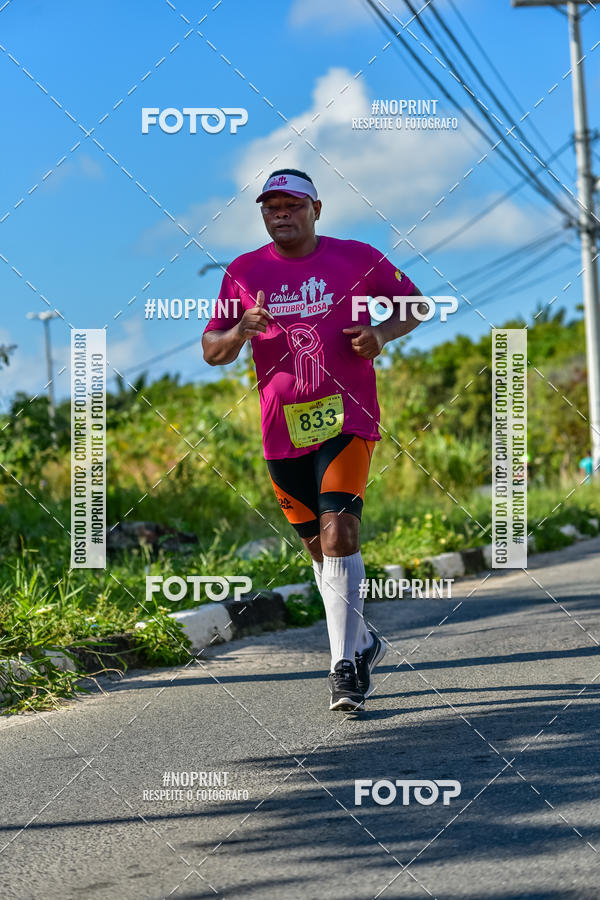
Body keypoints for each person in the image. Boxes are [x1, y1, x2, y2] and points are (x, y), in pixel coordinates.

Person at [202, 168, 424, 711]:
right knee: (320, 554)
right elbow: (211, 350)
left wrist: (380, 333)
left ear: (315, 209)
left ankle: (343, 668)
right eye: (271, 206)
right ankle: (363, 641)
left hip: (348, 418)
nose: (281, 213)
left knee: (339, 533)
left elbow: (414, 305)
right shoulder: (243, 271)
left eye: (293, 204)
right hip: (282, 431)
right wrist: (240, 330)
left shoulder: (357, 257)